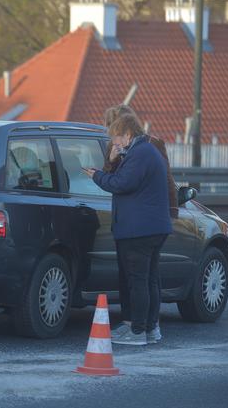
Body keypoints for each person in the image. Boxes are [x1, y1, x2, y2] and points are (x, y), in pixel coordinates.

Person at [83, 114, 172, 346]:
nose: (115, 143)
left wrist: (97, 175)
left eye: (117, 138)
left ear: (128, 134)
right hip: (152, 227)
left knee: (138, 281)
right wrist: (113, 160)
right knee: (150, 280)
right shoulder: (146, 151)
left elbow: (121, 184)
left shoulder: (139, 154)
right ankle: (151, 329)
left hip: (138, 229)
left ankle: (138, 331)